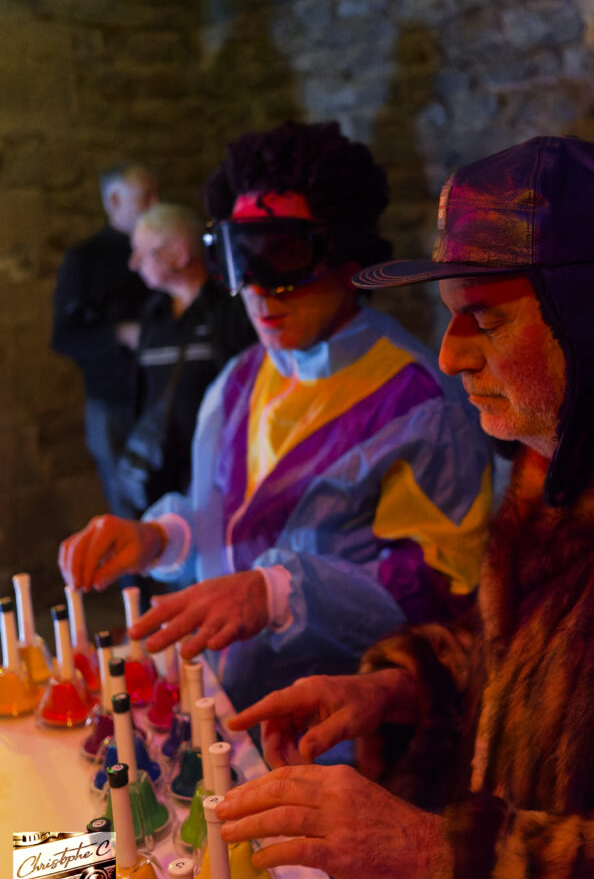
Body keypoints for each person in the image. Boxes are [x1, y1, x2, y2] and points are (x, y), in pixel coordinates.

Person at [214, 136, 594, 879]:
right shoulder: (568, 468)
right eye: (452, 318)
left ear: (592, 322)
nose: (450, 356)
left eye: (487, 320)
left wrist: (430, 853)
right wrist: (400, 689)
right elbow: (527, 661)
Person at [59, 121, 492, 712]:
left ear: (345, 256)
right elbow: (221, 516)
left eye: (285, 256)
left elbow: (446, 591)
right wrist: (158, 538)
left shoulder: (418, 404)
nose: (259, 291)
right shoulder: (239, 381)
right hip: (231, 710)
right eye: (238, 259)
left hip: (342, 732)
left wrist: (279, 594)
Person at [116, 202, 255, 517]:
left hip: (220, 475)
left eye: (143, 253)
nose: (133, 264)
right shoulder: (154, 313)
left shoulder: (230, 312)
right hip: (161, 473)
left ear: (180, 254)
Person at [52, 162, 158, 515]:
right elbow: (65, 338)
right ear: (114, 200)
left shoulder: (160, 247)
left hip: (163, 394)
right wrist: (120, 334)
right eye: (146, 197)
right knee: (128, 511)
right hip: (114, 402)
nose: (156, 205)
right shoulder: (85, 259)